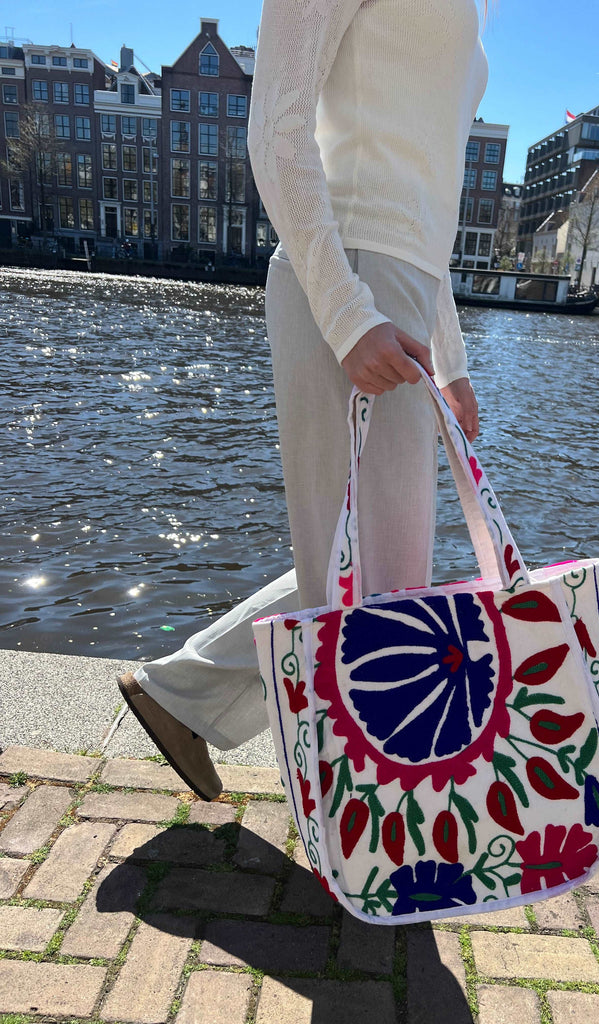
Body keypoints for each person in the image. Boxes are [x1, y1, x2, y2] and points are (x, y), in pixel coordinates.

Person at [118, 0, 488, 801]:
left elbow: (424, 204)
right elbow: (278, 127)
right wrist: (349, 315)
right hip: (349, 272)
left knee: (370, 570)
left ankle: (183, 698)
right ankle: (367, 821)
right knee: (385, 587)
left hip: (403, 286)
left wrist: (453, 360)